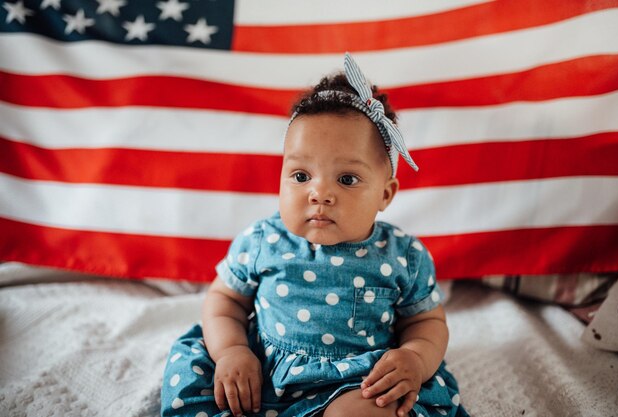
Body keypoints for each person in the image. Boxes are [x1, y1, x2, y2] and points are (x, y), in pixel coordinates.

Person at [161, 53, 469, 417]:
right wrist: (232, 351)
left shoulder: (402, 256)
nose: (319, 194)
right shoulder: (262, 241)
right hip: (263, 373)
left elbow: (426, 322)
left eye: (347, 179)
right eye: (301, 176)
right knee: (209, 387)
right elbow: (224, 303)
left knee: (368, 411)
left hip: (358, 379)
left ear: (385, 194)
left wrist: (415, 358)